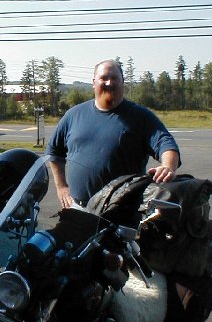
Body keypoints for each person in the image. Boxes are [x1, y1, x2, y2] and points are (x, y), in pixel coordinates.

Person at [46, 59, 181, 209]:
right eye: (104, 78)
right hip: (78, 208)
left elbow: (166, 144)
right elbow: (54, 152)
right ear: (94, 82)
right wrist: (61, 187)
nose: (109, 83)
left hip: (122, 211)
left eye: (115, 78)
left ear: (122, 82)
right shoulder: (73, 115)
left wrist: (168, 167)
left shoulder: (140, 116)